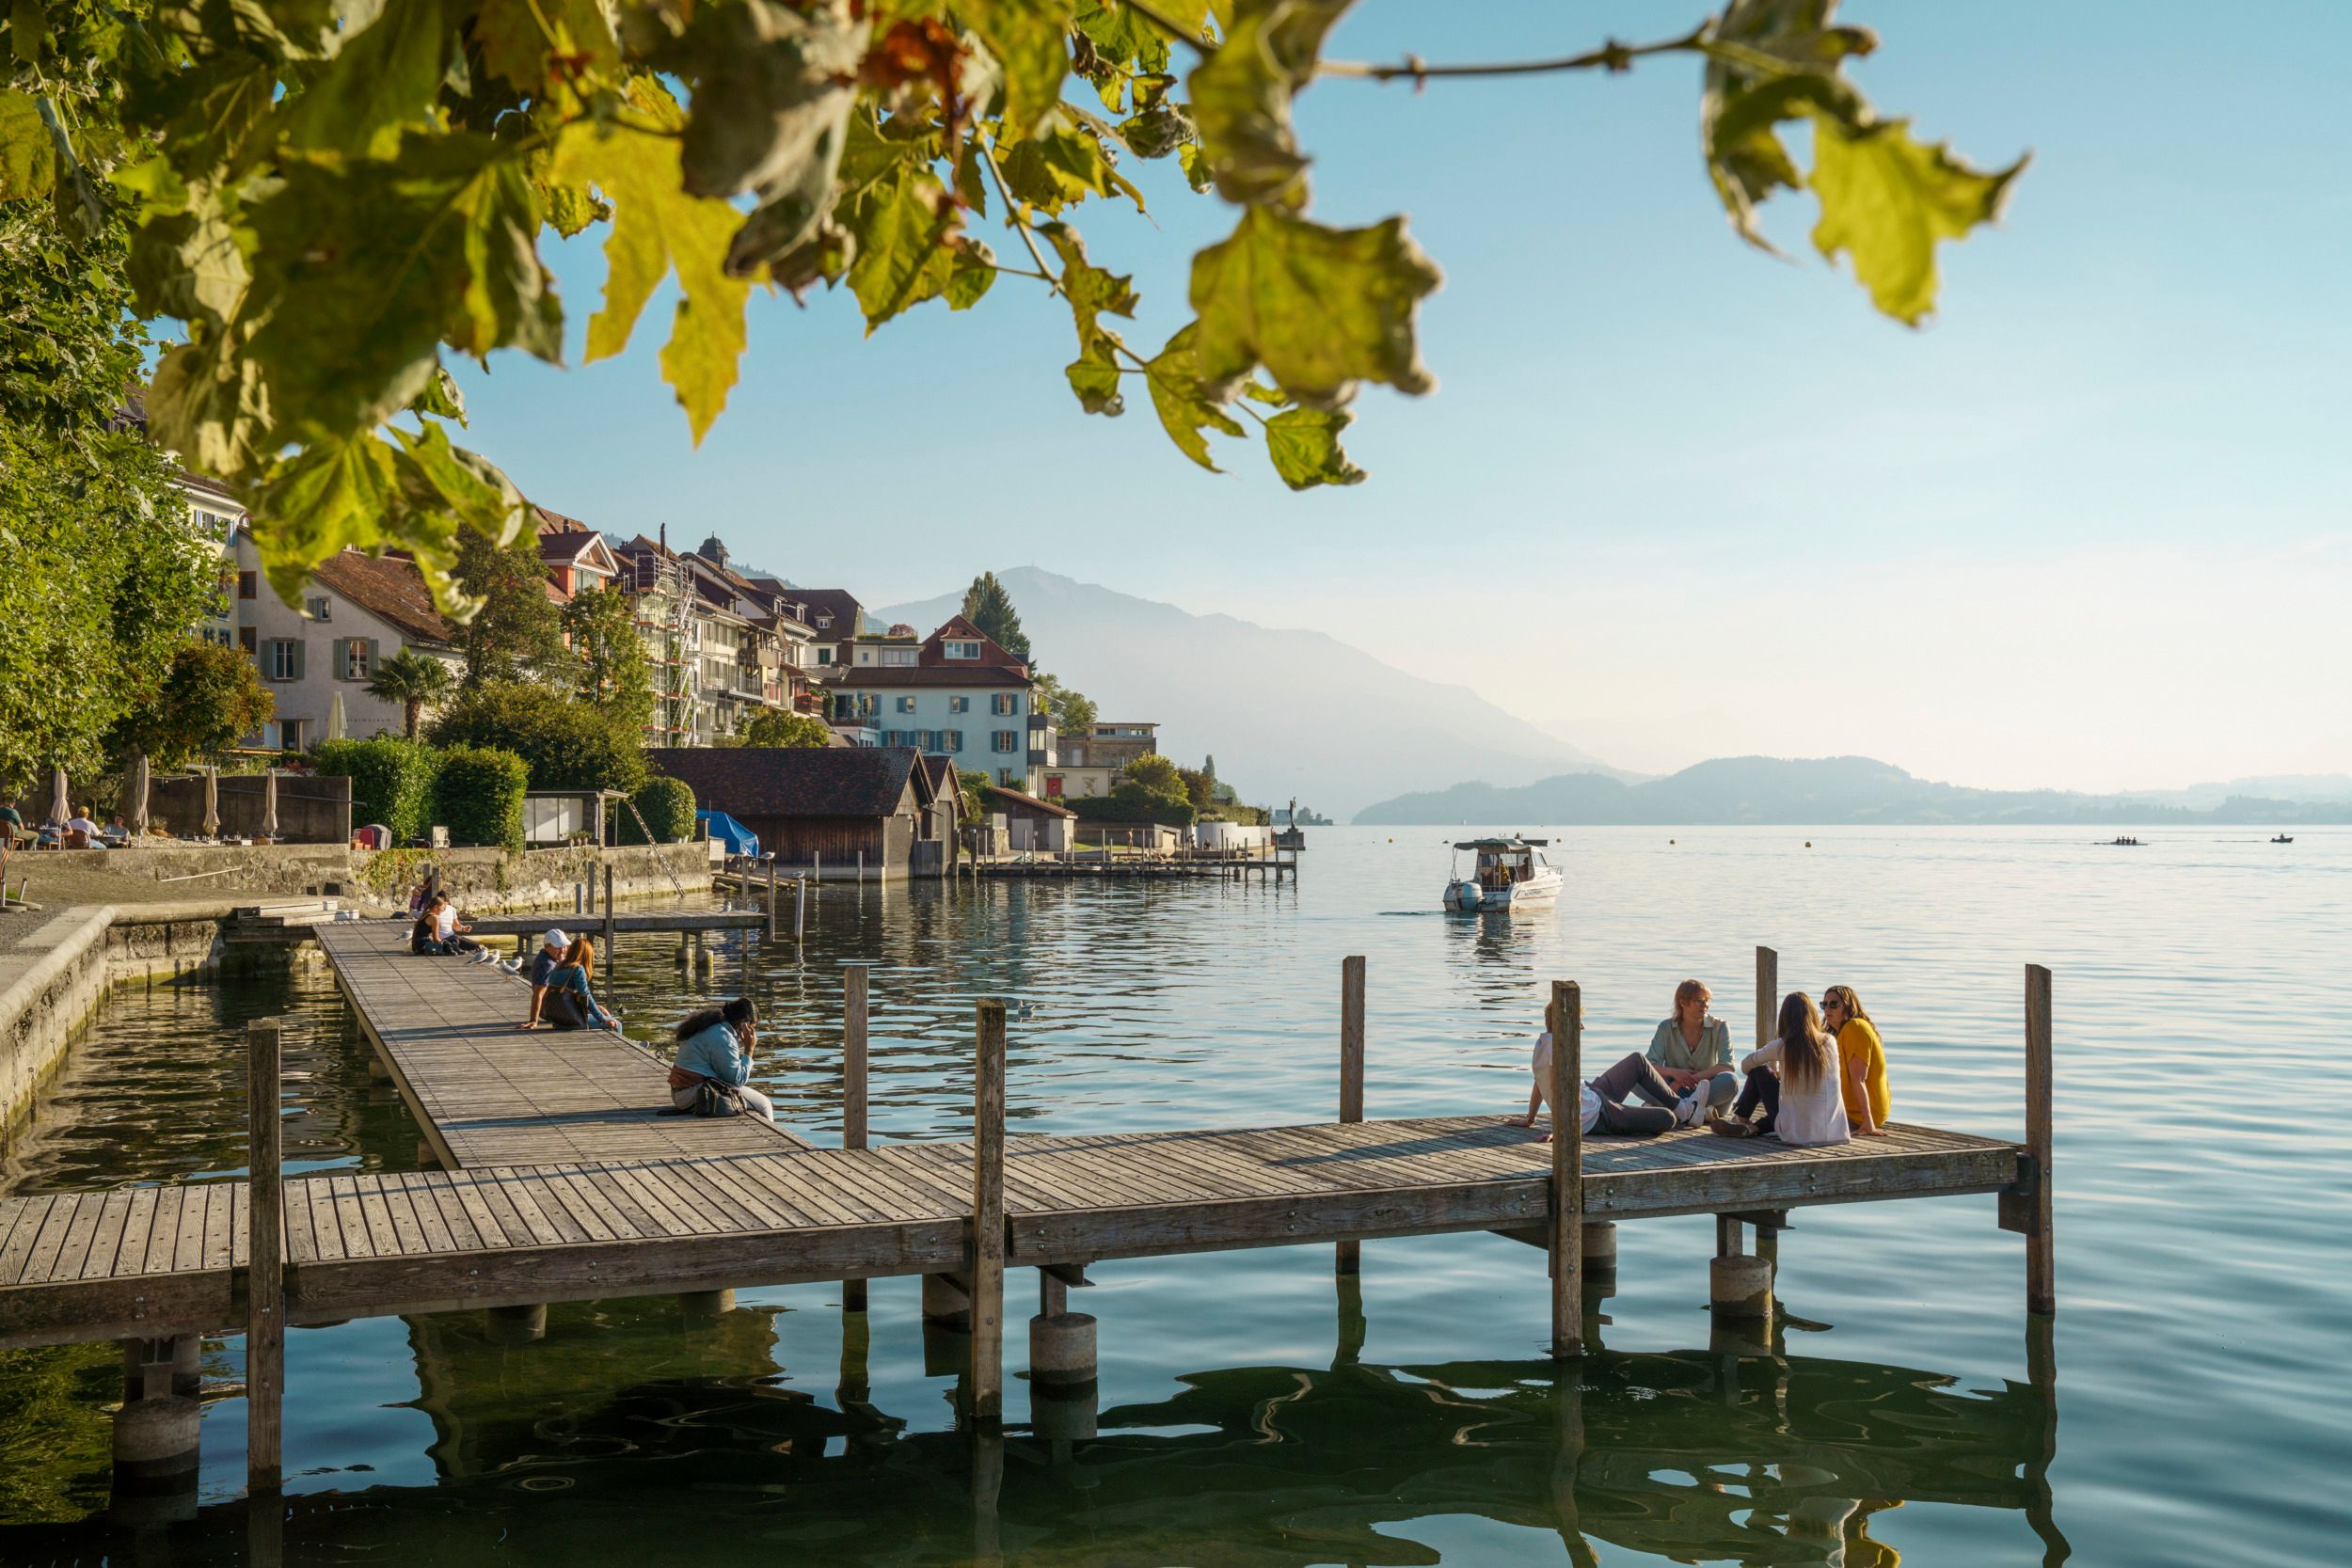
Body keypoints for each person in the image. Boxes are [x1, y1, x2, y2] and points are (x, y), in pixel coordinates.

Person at [1509, 991, 1708, 1142]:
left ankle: (1686, 1110)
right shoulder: (1559, 1049)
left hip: (1593, 1094)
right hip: (1597, 1116)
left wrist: (1530, 1119)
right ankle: (1682, 1111)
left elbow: (1539, 1083)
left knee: (1637, 1061)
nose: (1582, 1027)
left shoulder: (1542, 1044)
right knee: (1667, 1119)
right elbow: (1564, 1095)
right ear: (1566, 1022)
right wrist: (1560, 1132)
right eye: (1578, 1022)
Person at [1711, 992, 1851, 1146]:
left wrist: (1773, 1077)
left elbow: (1746, 1065)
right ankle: (1753, 1128)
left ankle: (1741, 1118)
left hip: (1796, 1135)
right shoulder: (1830, 1041)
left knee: (1760, 1071)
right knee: (1793, 1109)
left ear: (1785, 1018)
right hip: (1834, 1133)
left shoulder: (1782, 1045)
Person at [668, 997, 774, 1122]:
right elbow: (737, 1080)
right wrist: (749, 1049)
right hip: (693, 1095)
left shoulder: (712, 1026)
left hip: (681, 1093)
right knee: (764, 1105)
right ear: (744, 1023)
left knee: (746, 1099)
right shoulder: (723, 1037)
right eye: (752, 1026)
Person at [1647, 978, 1738, 1118]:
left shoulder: (1720, 1027)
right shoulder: (1666, 1028)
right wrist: (1675, 1073)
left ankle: (1673, 1107)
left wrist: (1691, 1078)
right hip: (1673, 1089)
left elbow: (1727, 1066)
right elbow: (1651, 1065)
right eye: (1699, 1001)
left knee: (1730, 1080)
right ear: (1683, 1002)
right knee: (1636, 1076)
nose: (1705, 1005)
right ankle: (1689, 1110)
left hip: (1707, 1090)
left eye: (1707, 1000)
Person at [1821, 984, 1891, 1137]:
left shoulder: (1855, 1027)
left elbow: (1859, 1079)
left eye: (1834, 1004)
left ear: (1848, 1005)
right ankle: (1757, 1127)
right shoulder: (1841, 1033)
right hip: (1851, 1111)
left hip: (1858, 1116)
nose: (1828, 1009)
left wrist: (1867, 1121)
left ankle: (1758, 1127)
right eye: (1824, 1004)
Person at [527, 936, 619, 1032]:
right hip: (571, 1020)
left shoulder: (558, 966)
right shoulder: (577, 969)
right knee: (617, 1024)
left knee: (604, 1012)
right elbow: (585, 995)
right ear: (586, 955)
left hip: (558, 1020)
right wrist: (602, 1019)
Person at [429, 894, 491, 959]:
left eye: (445, 904)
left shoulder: (451, 909)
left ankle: (481, 960)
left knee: (480, 946)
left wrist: (463, 928)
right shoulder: (433, 912)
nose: (443, 907)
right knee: (455, 944)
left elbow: (456, 925)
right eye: (442, 905)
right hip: (443, 940)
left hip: (453, 936)